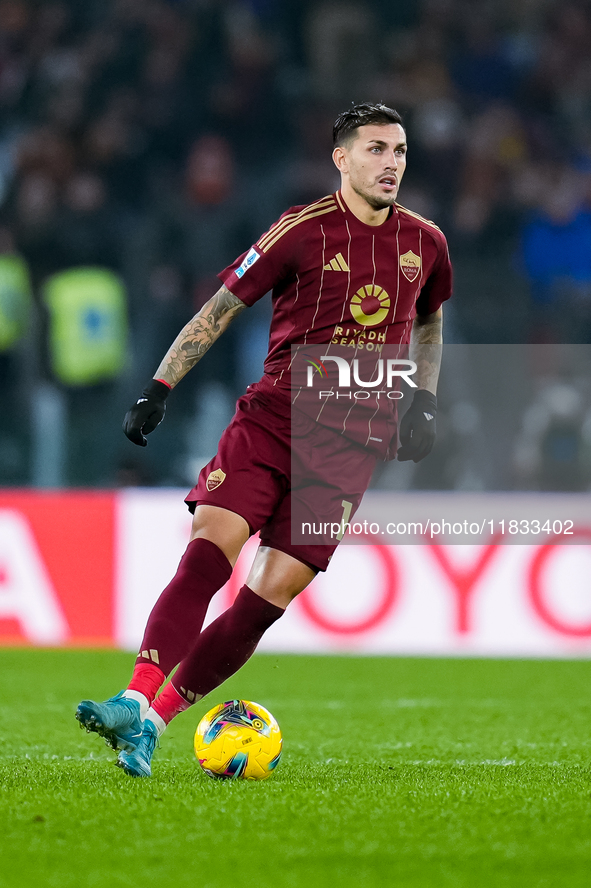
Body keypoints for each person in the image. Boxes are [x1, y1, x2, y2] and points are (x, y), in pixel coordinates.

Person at [76, 102, 452, 777]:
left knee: (263, 602)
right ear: (340, 158)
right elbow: (219, 308)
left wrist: (422, 399)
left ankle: (154, 726)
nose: (390, 163)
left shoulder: (425, 242)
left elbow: (429, 321)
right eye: (374, 150)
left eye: (398, 151)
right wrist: (158, 387)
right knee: (207, 556)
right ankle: (134, 697)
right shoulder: (298, 231)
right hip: (274, 421)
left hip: (348, 448)